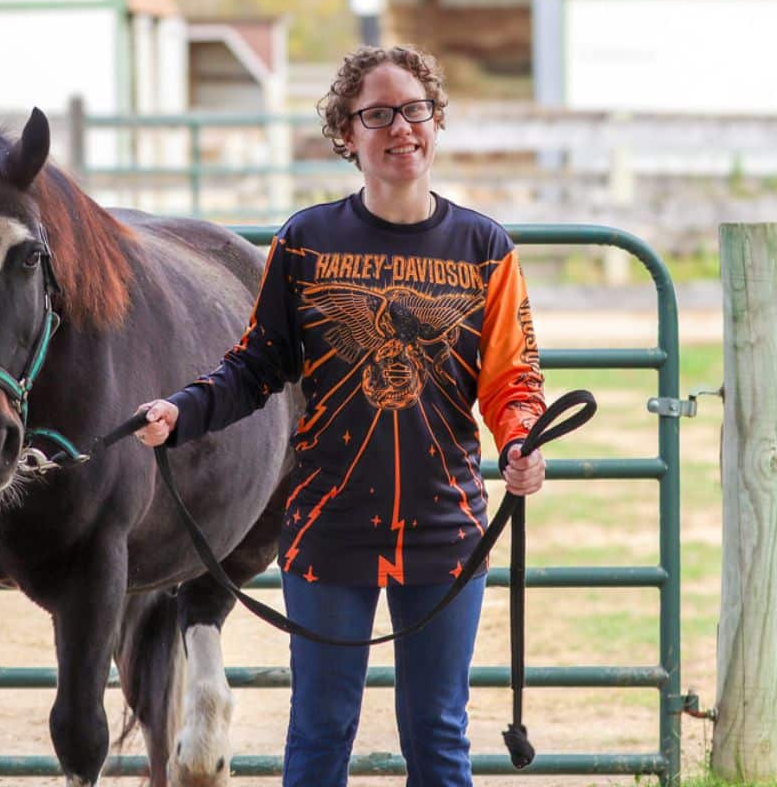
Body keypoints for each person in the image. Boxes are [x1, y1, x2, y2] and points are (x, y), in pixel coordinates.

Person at [136, 44, 546, 787]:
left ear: (436, 120)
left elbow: (511, 377)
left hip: (444, 524)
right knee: (321, 732)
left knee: (439, 735)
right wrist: (183, 411)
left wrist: (521, 438)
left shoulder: (485, 248)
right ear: (347, 134)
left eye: (414, 110)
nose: (401, 128)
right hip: (329, 522)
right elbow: (256, 365)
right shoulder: (305, 242)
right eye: (377, 114)